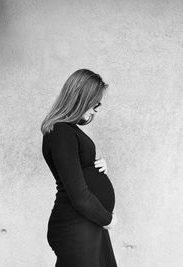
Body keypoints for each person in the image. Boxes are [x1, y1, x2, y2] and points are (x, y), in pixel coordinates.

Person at [41, 69, 118, 267]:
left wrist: (95, 166)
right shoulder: (60, 132)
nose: (96, 109)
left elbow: (76, 171)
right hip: (76, 225)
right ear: (82, 99)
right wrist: (107, 219)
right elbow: (79, 196)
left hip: (86, 223)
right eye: (95, 103)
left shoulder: (68, 131)